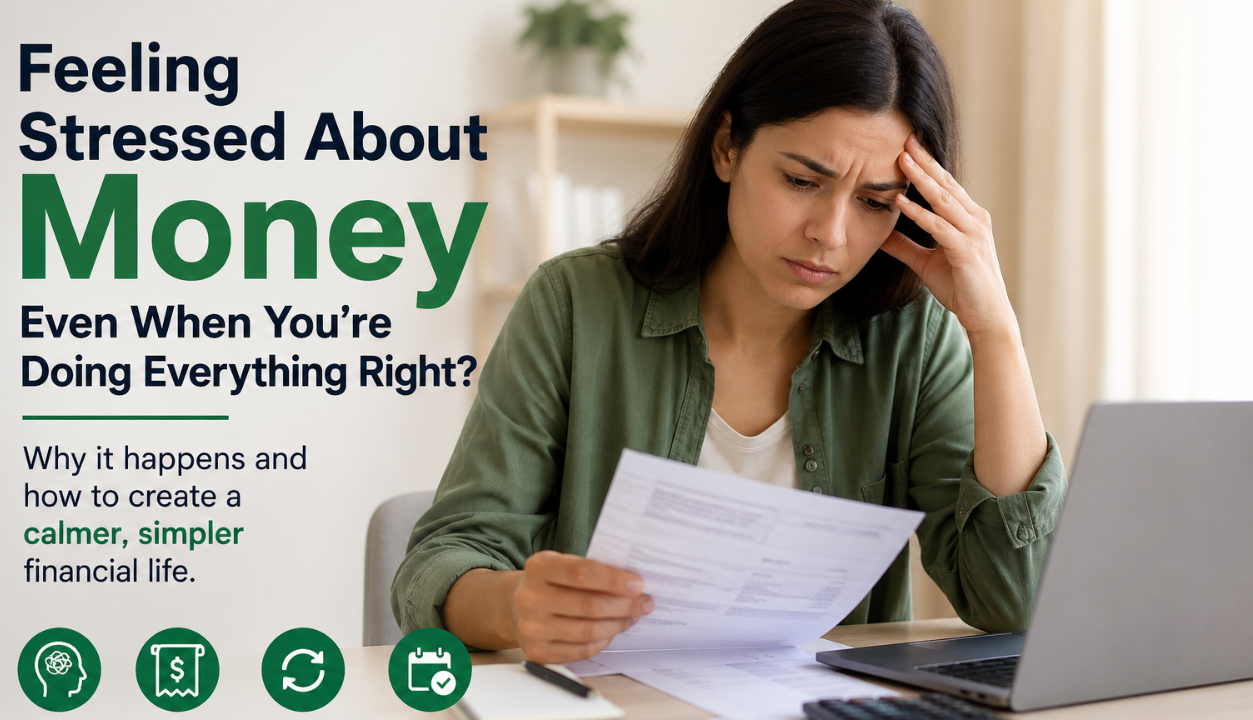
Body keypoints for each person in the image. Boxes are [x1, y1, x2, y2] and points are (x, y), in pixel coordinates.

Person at [394, 0, 1066, 663]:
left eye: (874, 203)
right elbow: (442, 561)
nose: (829, 234)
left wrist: (994, 330)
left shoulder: (913, 341)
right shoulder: (574, 304)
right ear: (726, 147)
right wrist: (514, 605)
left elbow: (1015, 601)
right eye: (803, 180)